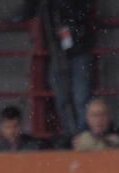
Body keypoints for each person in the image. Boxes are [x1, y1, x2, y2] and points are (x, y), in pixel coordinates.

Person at [16, 0, 96, 138]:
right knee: (63, 98)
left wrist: (70, 26)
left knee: (80, 97)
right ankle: (72, 134)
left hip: (77, 51)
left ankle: (82, 134)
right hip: (59, 52)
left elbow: (83, 13)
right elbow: (24, 13)